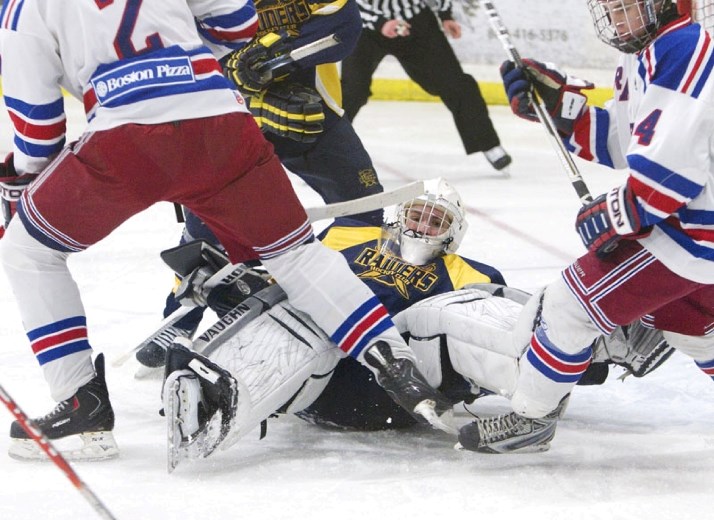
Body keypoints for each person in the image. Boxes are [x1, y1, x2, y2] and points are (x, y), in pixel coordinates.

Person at [0, 0, 452, 461]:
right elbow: (239, 24)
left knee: (27, 251)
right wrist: (186, 66)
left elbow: (38, 132)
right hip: (223, 122)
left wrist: (21, 190)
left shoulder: (21, 8)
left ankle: (82, 408)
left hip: (128, 140)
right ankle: (398, 365)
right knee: (298, 256)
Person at [159, 179, 672, 468]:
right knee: (304, 313)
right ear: (397, 216)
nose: (425, 226)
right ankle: (210, 398)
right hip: (319, 387)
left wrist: (581, 358)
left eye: (438, 220)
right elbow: (271, 277)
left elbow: (502, 322)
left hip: (401, 391)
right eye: (420, 215)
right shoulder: (341, 242)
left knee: (446, 313)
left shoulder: (472, 273)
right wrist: (215, 278)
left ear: (455, 233)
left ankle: (610, 336)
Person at [457, 0, 714, 454]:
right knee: (687, 321)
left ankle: (532, 418)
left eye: (623, 7)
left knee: (569, 306)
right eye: (608, 7)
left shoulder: (684, 46)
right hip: (690, 222)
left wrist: (617, 214)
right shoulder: (646, 49)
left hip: (693, 232)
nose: (612, 17)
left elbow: (668, 179)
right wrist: (558, 107)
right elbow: (623, 138)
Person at [135, 0, 390, 369]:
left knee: (363, 210)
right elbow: (178, 40)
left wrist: (272, 58)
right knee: (207, 225)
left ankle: (351, 305)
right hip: (233, 119)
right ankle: (179, 318)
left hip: (314, 120)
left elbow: (344, 25)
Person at [340, 0, 512, 171]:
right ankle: (324, 151)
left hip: (415, 22)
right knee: (352, 90)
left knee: (456, 83)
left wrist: (445, 15)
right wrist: (381, 22)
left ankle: (487, 143)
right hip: (365, 29)